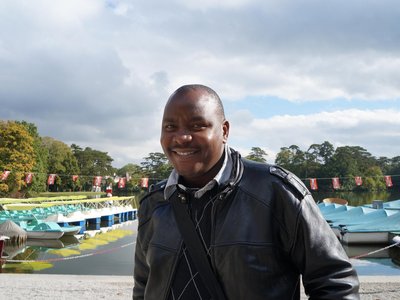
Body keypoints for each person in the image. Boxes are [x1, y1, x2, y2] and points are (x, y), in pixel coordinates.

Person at [133, 84, 360, 299]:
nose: (181, 137)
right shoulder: (154, 203)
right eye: (170, 127)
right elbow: (144, 286)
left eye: (196, 126)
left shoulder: (275, 191)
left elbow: (336, 282)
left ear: (224, 130)